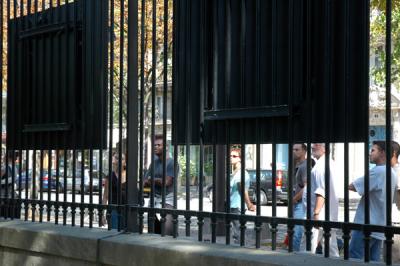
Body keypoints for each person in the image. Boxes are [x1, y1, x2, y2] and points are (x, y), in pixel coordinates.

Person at [349, 140, 397, 262]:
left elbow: (353, 186)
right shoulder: (391, 172)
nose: (370, 153)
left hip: (366, 224)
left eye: (373, 150)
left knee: (355, 258)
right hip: (379, 225)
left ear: (383, 153)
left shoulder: (378, 171)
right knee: (373, 260)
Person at [302, 143, 340, 257]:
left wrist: (316, 213)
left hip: (318, 215)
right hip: (329, 214)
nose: (313, 146)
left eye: (317, 144)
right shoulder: (330, 163)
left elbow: (322, 191)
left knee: (308, 249)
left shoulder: (321, 166)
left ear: (325, 148)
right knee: (331, 248)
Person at [144, 134, 177, 236]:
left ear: (166, 147)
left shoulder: (172, 163)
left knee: (166, 233)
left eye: (158, 145)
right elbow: (144, 182)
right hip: (154, 199)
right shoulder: (153, 163)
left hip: (167, 199)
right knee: (152, 232)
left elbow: (167, 182)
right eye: (154, 145)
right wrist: (155, 180)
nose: (155, 147)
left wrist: (151, 179)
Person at [229, 147, 256, 244]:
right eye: (230, 155)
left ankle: (240, 250)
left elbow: (242, 189)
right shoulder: (234, 173)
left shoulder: (242, 173)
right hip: (232, 205)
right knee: (235, 232)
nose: (231, 157)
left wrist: (249, 204)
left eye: (234, 156)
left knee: (238, 232)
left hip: (237, 206)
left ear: (240, 158)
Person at [292, 143, 313, 251]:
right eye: (293, 149)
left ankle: (294, 258)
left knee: (297, 233)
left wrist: (295, 199)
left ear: (304, 151)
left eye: (297, 149)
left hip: (300, 203)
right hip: (297, 202)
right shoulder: (297, 164)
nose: (294, 151)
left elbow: (307, 186)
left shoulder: (305, 166)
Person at [102, 152, 127, 229]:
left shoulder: (130, 175)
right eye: (116, 158)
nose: (118, 160)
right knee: (114, 233)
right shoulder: (109, 177)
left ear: (125, 162)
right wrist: (102, 214)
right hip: (113, 210)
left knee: (127, 236)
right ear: (113, 162)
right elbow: (105, 196)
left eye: (121, 159)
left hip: (127, 210)